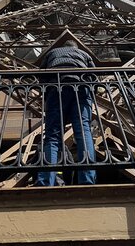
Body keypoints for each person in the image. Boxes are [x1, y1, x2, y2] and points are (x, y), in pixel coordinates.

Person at [36, 40, 96, 186]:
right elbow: (94, 76)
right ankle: (87, 179)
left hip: (56, 88)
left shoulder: (52, 53)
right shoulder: (84, 53)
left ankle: (45, 181)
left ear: (63, 46)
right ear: (75, 47)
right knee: (83, 131)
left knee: (52, 135)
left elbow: (41, 76)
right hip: (81, 89)